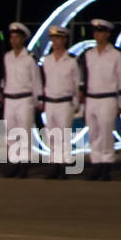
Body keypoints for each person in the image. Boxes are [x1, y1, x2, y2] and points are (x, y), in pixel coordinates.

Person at [79, 18, 121, 181]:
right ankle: (96, 163)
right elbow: (84, 77)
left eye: (101, 31)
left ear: (107, 34)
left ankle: (106, 164)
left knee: (106, 133)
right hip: (92, 98)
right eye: (96, 32)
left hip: (108, 97)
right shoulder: (88, 54)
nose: (97, 34)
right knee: (93, 133)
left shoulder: (116, 55)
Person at [37, 26, 80, 179]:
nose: (55, 41)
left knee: (64, 134)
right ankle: (54, 164)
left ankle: (64, 165)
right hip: (50, 102)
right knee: (52, 135)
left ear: (64, 40)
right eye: (53, 39)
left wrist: (75, 103)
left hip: (65, 101)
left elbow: (76, 83)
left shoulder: (72, 60)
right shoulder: (47, 61)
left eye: (58, 38)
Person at [1, 21, 41, 173]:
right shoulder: (7, 57)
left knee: (24, 132)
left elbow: (36, 81)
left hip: (25, 99)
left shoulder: (30, 58)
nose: (14, 40)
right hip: (10, 99)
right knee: (10, 132)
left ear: (23, 39)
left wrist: (37, 101)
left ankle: (24, 163)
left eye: (17, 37)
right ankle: (13, 162)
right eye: (12, 37)